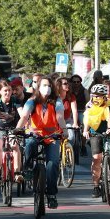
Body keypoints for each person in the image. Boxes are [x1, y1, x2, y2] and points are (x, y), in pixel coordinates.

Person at [16, 76, 68, 209]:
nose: (47, 88)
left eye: (49, 85)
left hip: (52, 136)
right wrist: (17, 129)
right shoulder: (32, 101)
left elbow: (60, 116)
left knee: (52, 164)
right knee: (30, 144)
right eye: (44, 85)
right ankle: (27, 168)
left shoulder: (57, 101)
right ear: (38, 87)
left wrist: (64, 130)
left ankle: (51, 195)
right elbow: (25, 115)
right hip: (35, 134)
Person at [0, 80, 23, 192]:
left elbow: (21, 113)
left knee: (15, 147)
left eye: (10, 90)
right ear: (0, 91)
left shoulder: (15, 100)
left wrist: (23, 125)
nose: (8, 93)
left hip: (12, 129)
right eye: (5, 91)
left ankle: (17, 173)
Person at [82, 83, 110, 198]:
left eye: (100, 95)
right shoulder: (89, 105)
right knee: (97, 158)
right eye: (95, 95)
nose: (97, 97)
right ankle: (96, 185)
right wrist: (85, 130)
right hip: (94, 132)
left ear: (105, 96)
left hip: (108, 130)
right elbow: (87, 118)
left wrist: (109, 128)